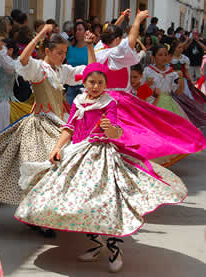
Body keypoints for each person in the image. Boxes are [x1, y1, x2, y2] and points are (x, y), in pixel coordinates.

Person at [14, 62, 187, 273]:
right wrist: (57, 148)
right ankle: (96, 243)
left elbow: (115, 133)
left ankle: (113, 248)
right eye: (91, 82)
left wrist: (110, 129)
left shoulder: (109, 103)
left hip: (102, 154)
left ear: (106, 84)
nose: (95, 86)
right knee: (80, 199)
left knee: (107, 200)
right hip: (78, 153)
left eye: (100, 82)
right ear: (84, 83)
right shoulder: (78, 102)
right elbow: (69, 127)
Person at [0, 28, 96, 223]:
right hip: (40, 125)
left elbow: (91, 71)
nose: (63, 57)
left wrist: (90, 46)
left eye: (65, 53)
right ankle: (38, 214)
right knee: (41, 169)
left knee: (60, 166)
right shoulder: (39, 68)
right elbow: (22, 61)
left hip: (59, 125)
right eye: (59, 53)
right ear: (47, 51)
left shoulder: (62, 71)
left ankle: (48, 212)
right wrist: (39, 36)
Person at [94, 10, 206, 167]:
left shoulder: (99, 50)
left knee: (106, 133)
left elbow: (111, 33)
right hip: (118, 100)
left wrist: (121, 19)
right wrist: (137, 21)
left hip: (100, 100)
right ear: (118, 39)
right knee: (138, 129)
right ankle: (127, 161)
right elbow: (130, 42)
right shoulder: (114, 53)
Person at [143, 44, 188, 118]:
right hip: (152, 102)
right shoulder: (148, 71)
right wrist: (146, 85)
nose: (163, 57)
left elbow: (177, 92)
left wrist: (181, 82)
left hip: (168, 104)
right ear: (154, 57)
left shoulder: (172, 73)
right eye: (160, 55)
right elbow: (139, 90)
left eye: (166, 55)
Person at [169, 40, 206, 128]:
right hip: (172, 81)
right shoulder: (169, 58)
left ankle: (188, 120)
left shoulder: (184, 58)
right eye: (179, 47)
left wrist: (191, 82)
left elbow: (186, 71)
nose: (181, 49)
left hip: (183, 82)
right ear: (174, 48)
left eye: (182, 47)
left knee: (187, 101)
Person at [66, 22, 89, 105]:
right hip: (71, 85)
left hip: (84, 85)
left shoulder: (91, 48)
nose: (77, 32)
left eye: (80, 30)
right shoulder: (70, 49)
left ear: (85, 32)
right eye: (76, 30)